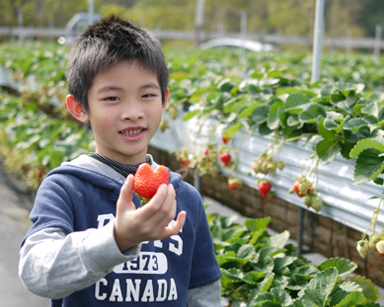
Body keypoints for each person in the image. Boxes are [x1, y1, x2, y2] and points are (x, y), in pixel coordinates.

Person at [18, 15, 222, 306]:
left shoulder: (184, 198)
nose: (133, 112)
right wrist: (116, 238)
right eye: (113, 98)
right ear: (79, 107)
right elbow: (35, 271)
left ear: (164, 99)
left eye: (147, 95)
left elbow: (203, 295)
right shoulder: (66, 189)